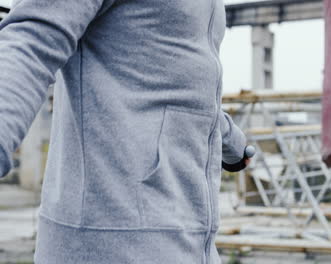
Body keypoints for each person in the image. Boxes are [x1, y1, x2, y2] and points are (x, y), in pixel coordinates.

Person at [0, 0, 251, 263]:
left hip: (191, 239)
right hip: (112, 242)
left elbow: (184, 87)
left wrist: (233, 144)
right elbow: (30, 40)